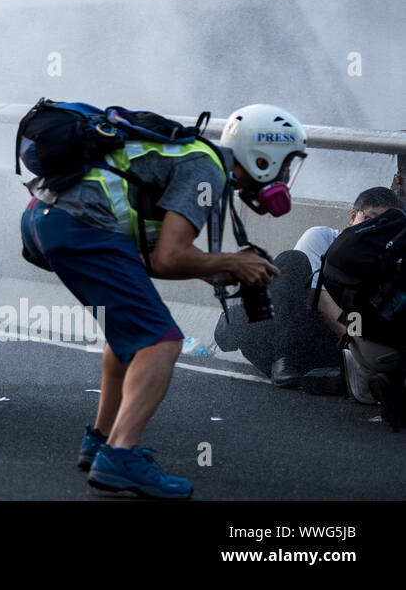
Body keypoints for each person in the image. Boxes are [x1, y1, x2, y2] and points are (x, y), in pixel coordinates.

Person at [21, 103, 308, 498]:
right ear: (264, 157)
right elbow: (168, 257)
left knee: (132, 334)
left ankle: (101, 440)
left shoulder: (198, 159)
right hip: (78, 225)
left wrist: (213, 267)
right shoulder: (206, 168)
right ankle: (118, 458)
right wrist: (233, 261)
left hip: (48, 218)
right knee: (162, 340)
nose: (284, 176)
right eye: (285, 164)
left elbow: (151, 257)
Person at [215, 186, 406, 392]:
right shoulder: (323, 239)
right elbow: (319, 298)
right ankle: (280, 355)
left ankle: (340, 376)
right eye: (371, 219)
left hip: (330, 349)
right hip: (285, 341)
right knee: (292, 261)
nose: (377, 229)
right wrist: (358, 346)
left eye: (386, 225)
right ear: (353, 217)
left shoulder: (391, 262)